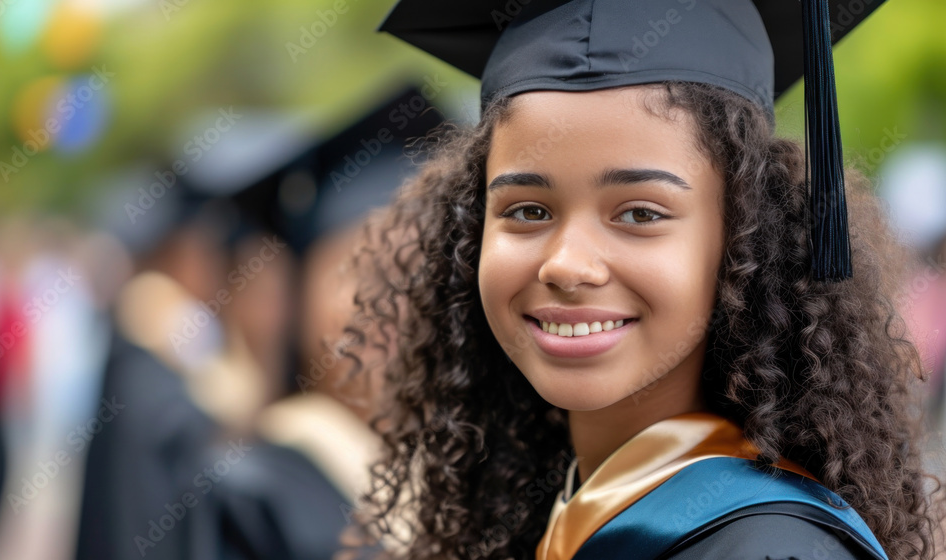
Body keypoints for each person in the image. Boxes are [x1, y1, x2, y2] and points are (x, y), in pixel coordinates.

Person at [336, 1, 945, 559]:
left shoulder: (770, 547)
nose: (568, 264)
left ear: (745, 242)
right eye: (527, 211)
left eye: (639, 214)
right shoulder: (541, 520)